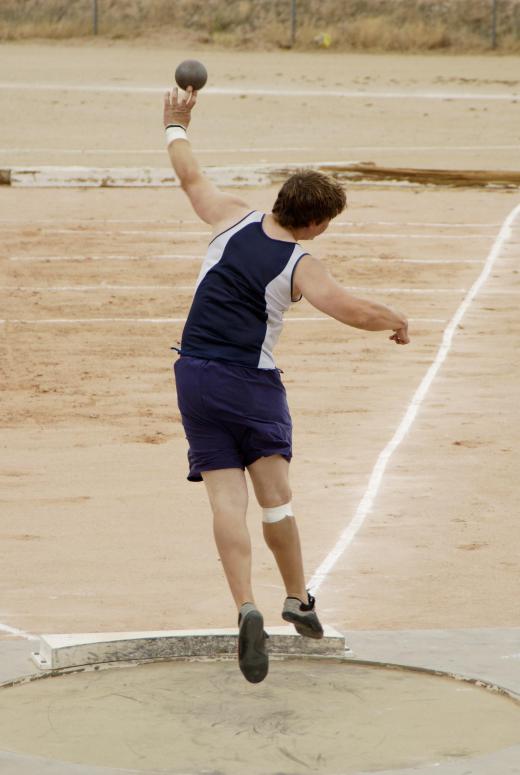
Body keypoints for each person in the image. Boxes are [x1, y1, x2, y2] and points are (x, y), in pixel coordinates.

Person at [163, 85, 410, 684]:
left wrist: (175, 123)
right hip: (251, 383)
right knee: (276, 498)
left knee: (226, 499)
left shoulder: (232, 217)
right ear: (318, 222)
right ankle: (297, 598)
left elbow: (190, 175)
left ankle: (245, 605)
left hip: (193, 374)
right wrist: (396, 320)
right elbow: (347, 308)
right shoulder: (301, 263)